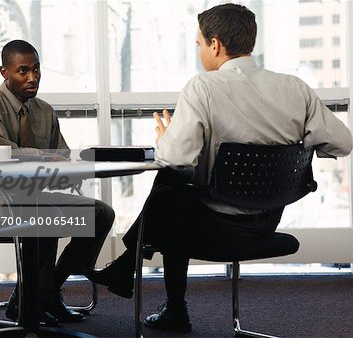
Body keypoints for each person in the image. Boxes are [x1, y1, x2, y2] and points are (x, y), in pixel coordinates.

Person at [86, 3, 353, 333]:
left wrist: (167, 138)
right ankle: (129, 270)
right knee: (174, 192)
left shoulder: (204, 87)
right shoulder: (295, 88)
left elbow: (174, 157)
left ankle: (149, 284)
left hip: (212, 226)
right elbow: (343, 143)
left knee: (170, 189)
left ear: (215, 44)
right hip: (266, 222)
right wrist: (295, 147)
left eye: (199, 44)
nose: (199, 52)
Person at [0, 40, 115, 326]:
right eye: (22, 71)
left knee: (100, 213)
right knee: (43, 212)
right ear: (4, 72)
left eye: (36, 69)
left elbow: (61, 159)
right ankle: (32, 298)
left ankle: (44, 292)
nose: (32, 77)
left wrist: (78, 167)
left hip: (34, 197)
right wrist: (42, 156)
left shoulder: (44, 111)